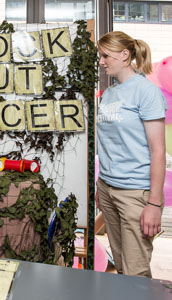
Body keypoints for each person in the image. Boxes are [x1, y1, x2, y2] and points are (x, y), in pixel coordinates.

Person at [96, 31, 167, 277]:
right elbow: (110, 144)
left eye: (106, 55)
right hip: (108, 189)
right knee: (122, 267)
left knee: (135, 274)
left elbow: (158, 151)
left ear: (125, 54)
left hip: (136, 193)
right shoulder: (110, 93)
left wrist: (154, 204)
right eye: (100, 56)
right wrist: (101, 185)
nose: (101, 61)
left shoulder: (146, 91)